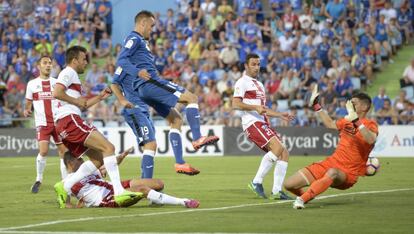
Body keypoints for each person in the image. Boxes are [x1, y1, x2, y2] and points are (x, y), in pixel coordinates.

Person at [114, 10, 219, 177]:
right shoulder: (134, 38)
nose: (152, 29)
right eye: (151, 25)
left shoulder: (140, 41)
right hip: (148, 83)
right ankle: (198, 138)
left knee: (176, 119)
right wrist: (137, 72)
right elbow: (121, 60)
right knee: (192, 98)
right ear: (142, 23)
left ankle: (180, 162)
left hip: (145, 88)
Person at [52, 46, 141, 208]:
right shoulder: (68, 72)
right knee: (109, 147)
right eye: (84, 59)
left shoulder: (73, 78)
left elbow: (83, 104)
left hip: (64, 123)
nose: (86, 62)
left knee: (98, 158)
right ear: (74, 60)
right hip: (70, 119)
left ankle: (64, 185)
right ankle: (119, 192)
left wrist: (100, 97)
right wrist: (76, 102)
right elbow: (57, 93)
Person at [284, 86, 378, 209]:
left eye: (354, 103)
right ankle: (309, 195)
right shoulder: (347, 120)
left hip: (348, 173)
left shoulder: (370, 124)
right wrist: (317, 106)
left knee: (332, 173)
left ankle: (301, 200)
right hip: (331, 163)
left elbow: (371, 139)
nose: (350, 105)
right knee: (289, 184)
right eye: (350, 102)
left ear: (364, 107)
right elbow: (330, 124)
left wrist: (356, 120)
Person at [232, 53, 294, 200]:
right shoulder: (242, 82)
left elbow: (262, 108)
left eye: (258, 64)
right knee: (278, 148)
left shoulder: (259, 85)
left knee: (284, 153)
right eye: (253, 64)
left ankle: (277, 191)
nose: (256, 67)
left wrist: (280, 115)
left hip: (262, 122)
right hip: (252, 123)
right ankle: (256, 182)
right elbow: (235, 104)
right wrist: (254, 107)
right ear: (246, 66)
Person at [63, 147, 200, 209]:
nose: (82, 161)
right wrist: (75, 205)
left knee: (158, 183)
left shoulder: (86, 171)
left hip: (116, 187)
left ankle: (156, 200)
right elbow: (64, 198)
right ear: (70, 163)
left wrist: (120, 157)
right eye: (79, 159)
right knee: (142, 189)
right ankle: (184, 202)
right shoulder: (67, 182)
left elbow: (106, 168)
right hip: (108, 199)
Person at [24, 55, 68, 193]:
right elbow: (28, 102)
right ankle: (38, 179)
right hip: (43, 123)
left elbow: (64, 100)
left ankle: (65, 181)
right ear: (39, 66)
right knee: (43, 151)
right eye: (45, 63)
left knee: (63, 152)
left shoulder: (57, 83)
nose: (48, 65)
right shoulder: (32, 84)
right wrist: (27, 110)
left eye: (50, 63)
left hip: (57, 122)